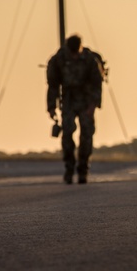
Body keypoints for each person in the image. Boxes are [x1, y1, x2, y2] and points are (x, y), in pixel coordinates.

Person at [46, 35, 105, 184]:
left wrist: (93, 105)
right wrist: (51, 107)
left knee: (86, 134)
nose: (73, 56)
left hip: (86, 100)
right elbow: (52, 85)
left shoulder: (90, 60)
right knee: (67, 133)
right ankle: (69, 168)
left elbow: (97, 84)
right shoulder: (58, 59)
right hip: (68, 101)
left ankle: (83, 169)